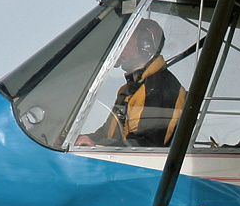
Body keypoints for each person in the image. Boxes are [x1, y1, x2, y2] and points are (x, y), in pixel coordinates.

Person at [76, 19, 186, 148]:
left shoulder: (158, 88)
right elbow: (108, 133)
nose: (119, 48)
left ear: (145, 45)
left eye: (125, 41)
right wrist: (82, 140)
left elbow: (146, 145)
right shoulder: (130, 88)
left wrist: (98, 147)